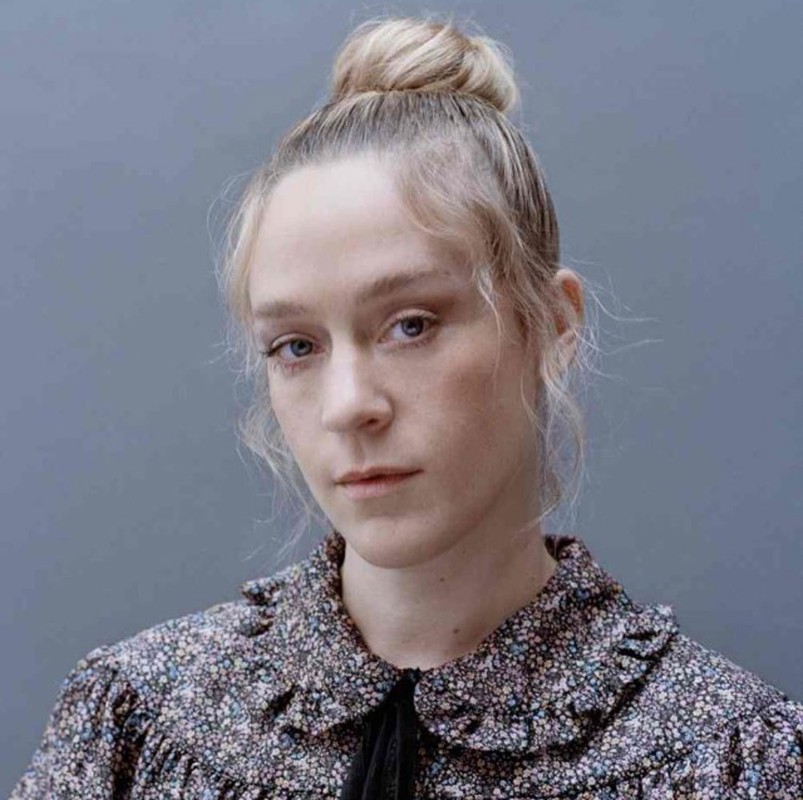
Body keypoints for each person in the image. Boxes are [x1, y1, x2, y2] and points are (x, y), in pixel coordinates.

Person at [10, 14, 802, 800]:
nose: (348, 406)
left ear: (553, 326)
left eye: (411, 325)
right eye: (296, 345)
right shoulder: (138, 720)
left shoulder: (732, 761)